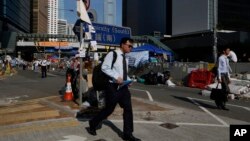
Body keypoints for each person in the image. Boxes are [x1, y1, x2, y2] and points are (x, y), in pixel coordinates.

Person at [87, 37, 141, 141]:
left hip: (123, 87)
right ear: (122, 45)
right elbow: (105, 67)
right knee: (109, 110)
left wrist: (128, 80)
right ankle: (93, 123)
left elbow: (123, 73)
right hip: (112, 87)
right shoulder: (113, 54)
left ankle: (128, 134)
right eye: (129, 46)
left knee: (128, 109)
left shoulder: (125, 58)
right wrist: (116, 77)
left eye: (132, 47)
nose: (131, 48)